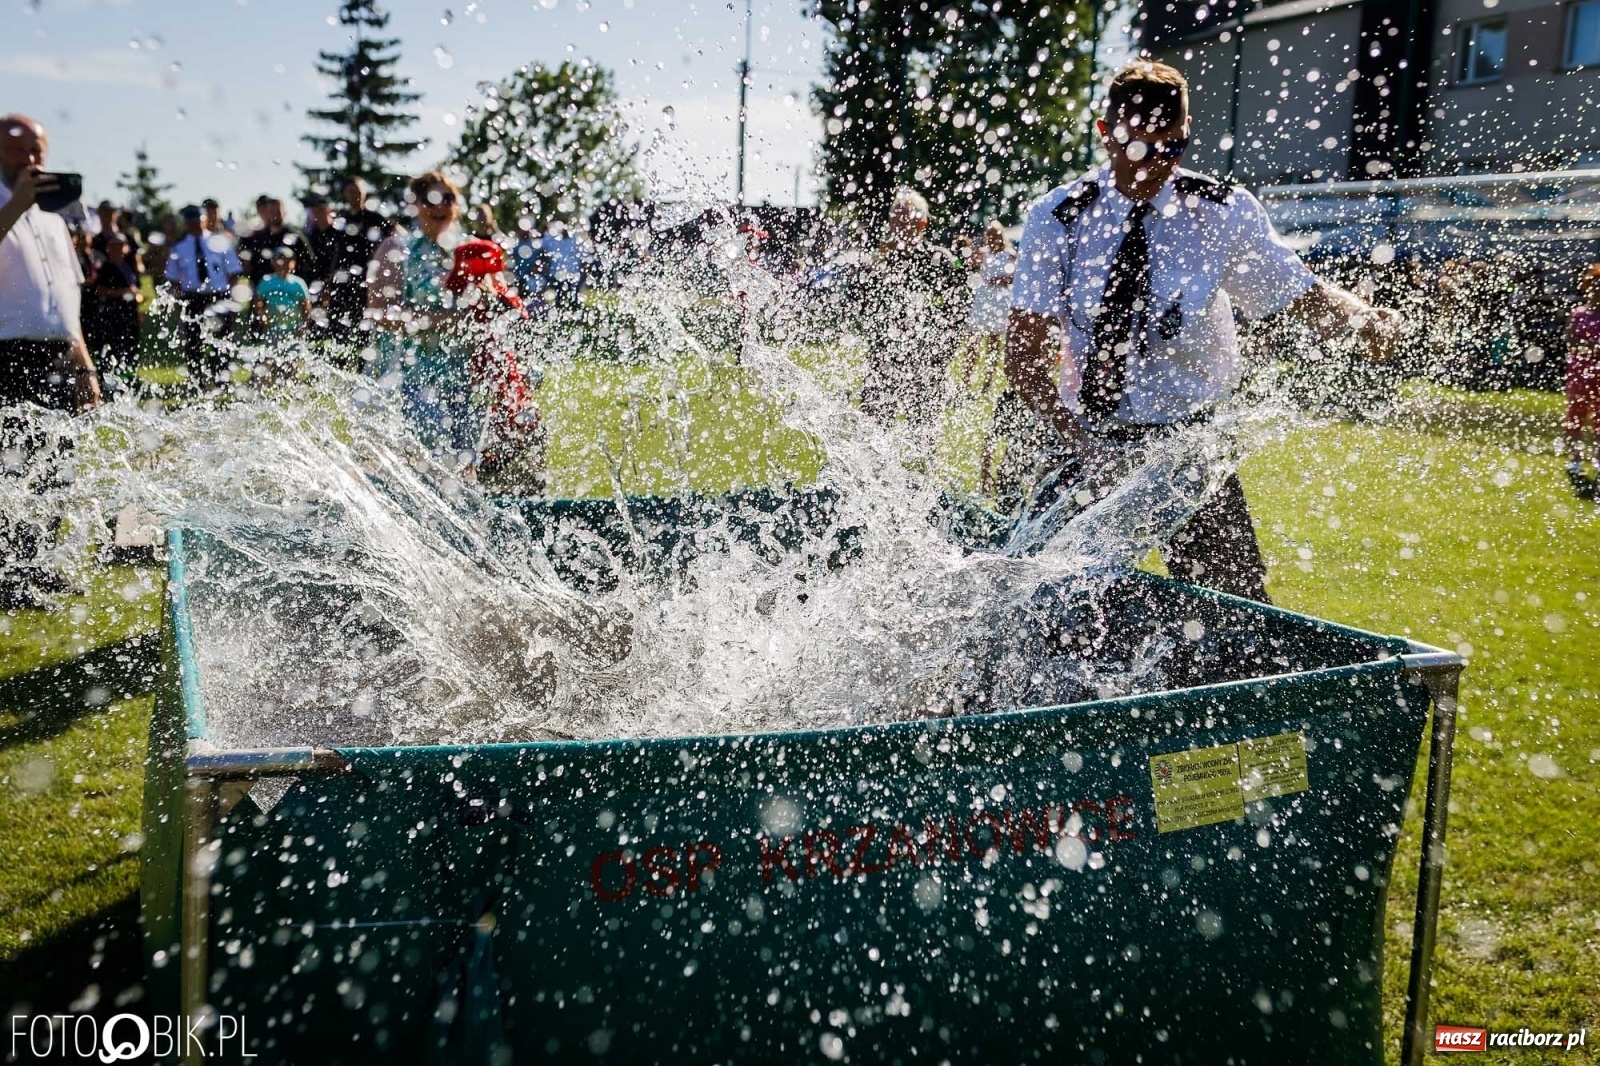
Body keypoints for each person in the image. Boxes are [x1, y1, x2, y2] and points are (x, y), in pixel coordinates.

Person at [1006, 60, 1401, 603]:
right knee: (1038, 605)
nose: (1156, 166)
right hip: (1089, 439)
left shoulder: (1221, 214)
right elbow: (1023, 362)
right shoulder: (1061, 216)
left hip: (1187, 446)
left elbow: (1297, 291)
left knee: (1236, 617)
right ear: (1105, 135)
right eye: (1141, 149)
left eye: (1174, 147)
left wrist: (1362, 317)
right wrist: (1087, 449)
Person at [0, 113, 101, 608]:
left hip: (57, 352)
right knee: (12, 466)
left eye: (38, 149)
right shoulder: (13, 202)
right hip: (7, 352)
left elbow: (68, 292)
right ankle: (10, 579)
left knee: (55, 464)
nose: (32, 158)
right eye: (20, 148)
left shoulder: (54, 215)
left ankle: (37, 565)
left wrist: (82, 360)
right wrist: (16, 203)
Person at [368, 170, 482, 468]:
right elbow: (378, 312)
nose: (440, 206)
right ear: (415, 205)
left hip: (460, 374)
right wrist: (438, 319)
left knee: (466, 461)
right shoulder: (397, 249)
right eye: (430, 199)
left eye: (448, 198)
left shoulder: (468, 251)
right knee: (420, 462)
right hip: (410, 375)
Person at [856, 187, 967, 438]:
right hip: (883, 361)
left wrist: (939, 354)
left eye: (905, 217)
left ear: (923, 223)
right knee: (873, 434)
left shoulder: (940, 260)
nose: (899, 224)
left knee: (923, 436)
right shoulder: (879, 261)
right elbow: (863, 307)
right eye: (894, 218)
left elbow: (958, 312)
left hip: (927, 364)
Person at [445, 238, 546, 492]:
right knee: (517, 474)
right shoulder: (498, 298)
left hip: (491, 396)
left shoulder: (464, 299)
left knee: (492, 472)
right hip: (501, 398)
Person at [165, 203, 243, 391]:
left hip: (218, 295)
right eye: (191, 221)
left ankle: (221, 379)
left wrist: (234, 300)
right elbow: (174, 279)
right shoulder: (179, 247)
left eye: (198, 220)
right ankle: (197, 381)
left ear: (205, 220)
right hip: (193, 298)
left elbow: (233, 273)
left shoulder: (220, 242)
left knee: (222, 339)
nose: (195, 224)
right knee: (194, 341)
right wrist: (176, 304)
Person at [324, 177, 388, 336]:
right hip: (341, 276)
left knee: (364, 316)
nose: (355, 195)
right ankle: (338, 350)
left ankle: (364, 351)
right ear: (345, 194)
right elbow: (333, 251)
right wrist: (328, 279)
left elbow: (391, 239)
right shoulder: (341, 219)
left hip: (367, 276)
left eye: (359, 191)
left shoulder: (374, 218)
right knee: (338, 318)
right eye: (351, 192)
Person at [1563, 263, 1600, 500]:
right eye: (1593, 285)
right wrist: (1588, 348)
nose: (1596, 290)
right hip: (1579, 370)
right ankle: (1575, 461)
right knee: (1575, 417)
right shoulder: (1578, 313)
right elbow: (1570, 339)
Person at [88, 233, 143, 389]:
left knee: (130, 346)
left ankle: (129, 379)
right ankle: (110, 379)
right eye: (114, 246)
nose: (118, 249)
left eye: (121, 245)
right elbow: (99, 290)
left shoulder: (129, 266)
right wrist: (121, 292)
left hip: (129, 312)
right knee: (113, 346)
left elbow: (136, 286)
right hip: (113, 312)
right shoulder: (105, 268)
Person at [238, 194, 318, 291]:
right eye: (271, 211)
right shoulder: (258, 239)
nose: (275, 214)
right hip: (265, 292)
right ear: (266, 213)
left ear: (285, 212)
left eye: (278, 211)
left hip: (291, 292)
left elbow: (309, 264)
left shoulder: (296, 238)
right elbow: (252, 267)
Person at [90, 200, 143, 274]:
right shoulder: (96, 240)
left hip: (128, 280)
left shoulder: (127, 237)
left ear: (115, 214)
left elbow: (139, 264)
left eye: (109, 212)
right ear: (99, 214)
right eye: (103, 212)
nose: (106, 215)